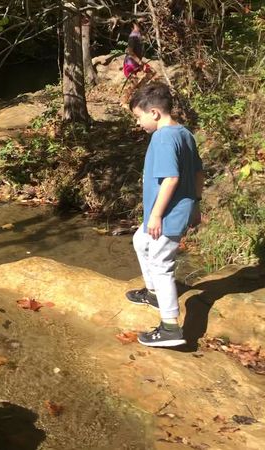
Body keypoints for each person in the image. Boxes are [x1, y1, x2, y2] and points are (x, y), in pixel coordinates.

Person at [126, 82, 204, 347]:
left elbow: (171, 178)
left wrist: (157, 215)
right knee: (140, 241)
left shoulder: (163, 137)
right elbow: (197, 173)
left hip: (168, 215)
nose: (138, 123)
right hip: (175, 210)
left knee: (161, 263)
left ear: (155, 113)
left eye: (139, 117)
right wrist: (197, 204)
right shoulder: (184, 133)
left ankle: (170, 327)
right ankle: (153, 293)